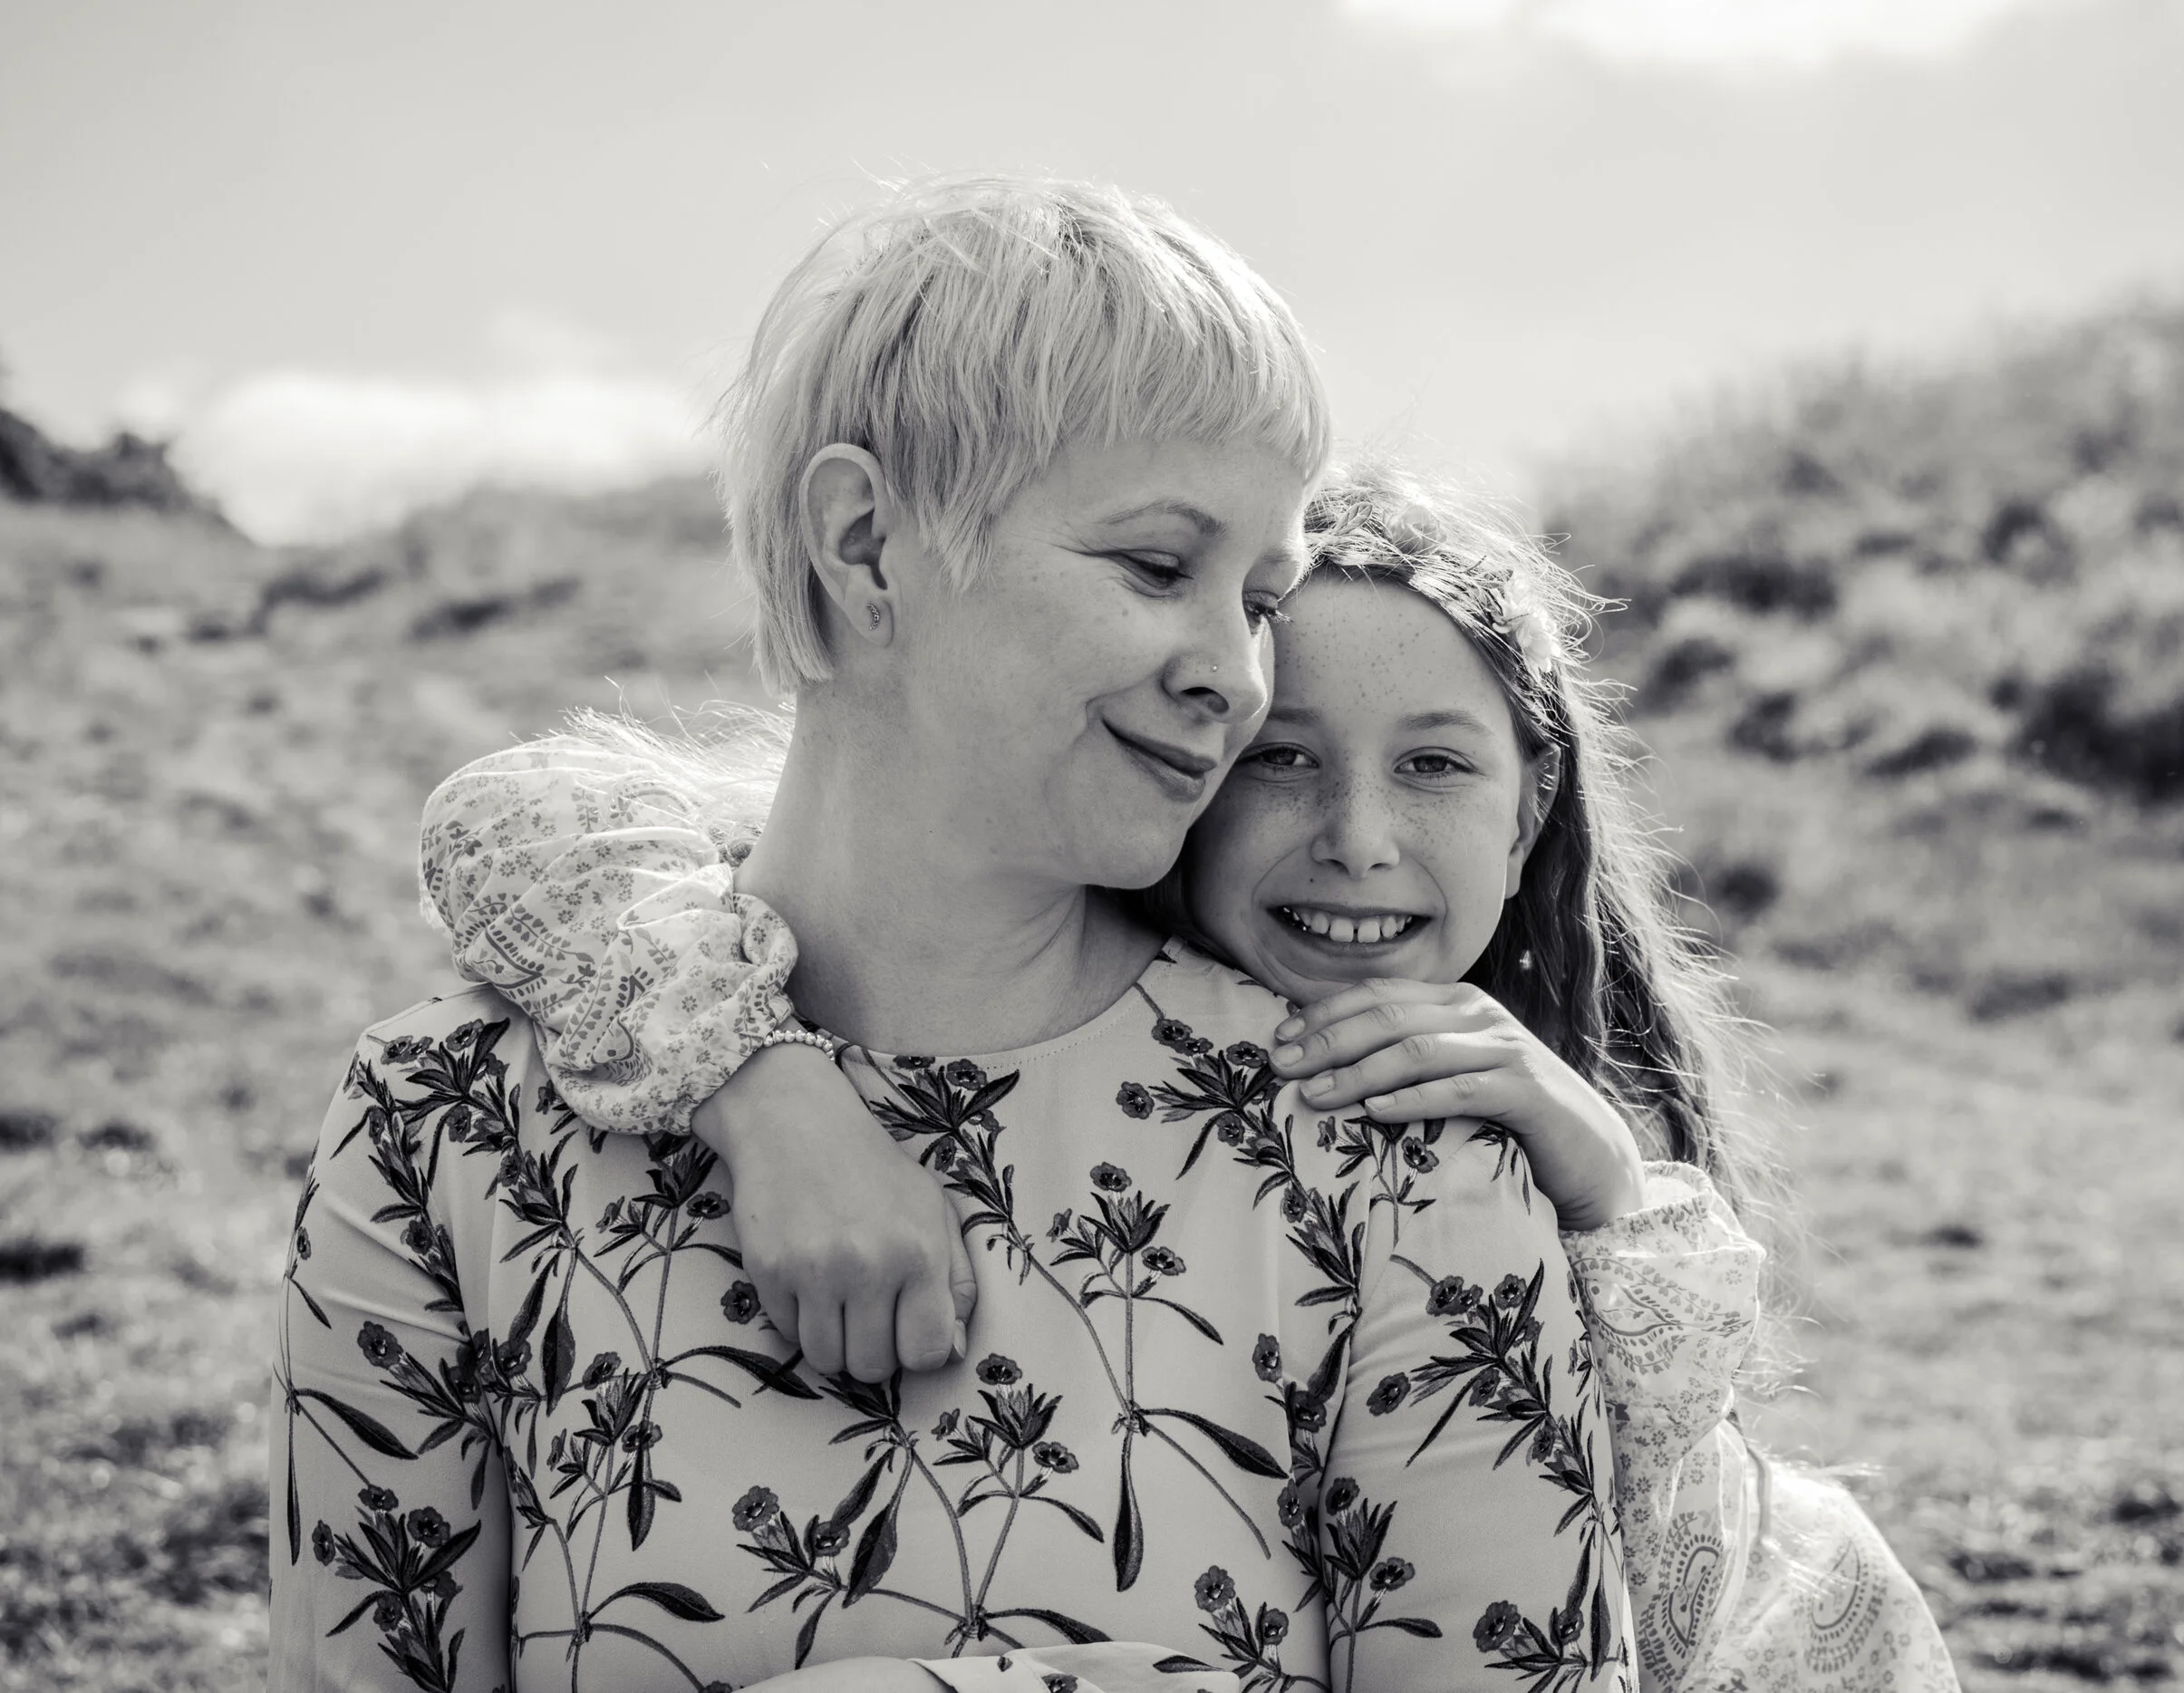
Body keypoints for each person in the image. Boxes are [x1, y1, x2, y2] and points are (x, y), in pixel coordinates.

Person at [273, 176, 1642, 1693]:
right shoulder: (444, 1131)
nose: (1236, 676)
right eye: (1157, 567)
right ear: (865, 544)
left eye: (1262, 599)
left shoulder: (1396, 1161)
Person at [415, 462, 1963, 1693]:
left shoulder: (1546, 1130)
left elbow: (1637, 1575)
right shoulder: (947, 940)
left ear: (1530, 798)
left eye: (1435, 763)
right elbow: (526, 814)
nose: (1359, 840)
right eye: (1283, 758)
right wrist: (763, 1082)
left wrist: (1608, 1186)